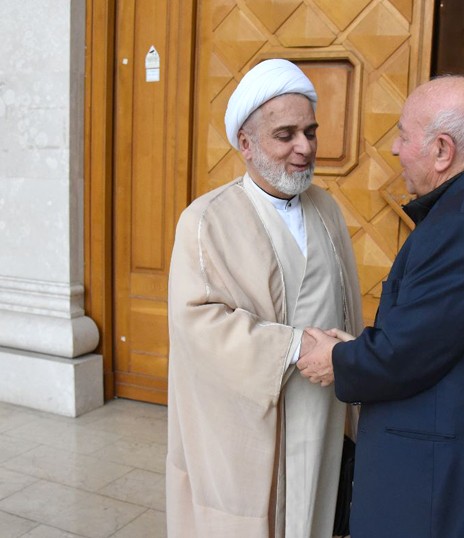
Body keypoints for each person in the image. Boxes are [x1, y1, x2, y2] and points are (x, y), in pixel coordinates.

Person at [297, 76, 464, 537]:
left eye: (403, 135)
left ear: (442, 150)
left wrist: (335, 358)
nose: (395, 149)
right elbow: (439, 334)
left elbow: (405, 355)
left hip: (452, 478)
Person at [165, 59, 362, 538]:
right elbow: (199, 326)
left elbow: (348, 305)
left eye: (310, 132)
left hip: (322, 409)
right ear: (247, 145)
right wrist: (294, 347)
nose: (304, 148)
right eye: (285, 135)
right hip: (248, 423)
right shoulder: (206, 220)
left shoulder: (327, 208)